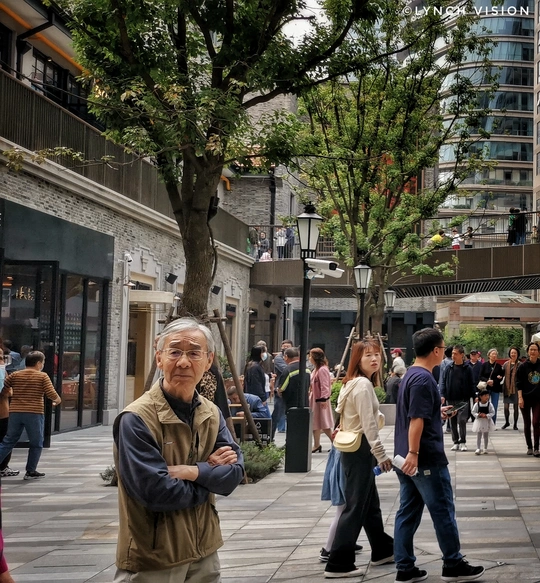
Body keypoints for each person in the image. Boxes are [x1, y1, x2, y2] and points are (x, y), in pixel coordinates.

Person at [113, 318, 244, 582]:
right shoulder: (136, 419)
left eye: (194, 353)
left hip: (204, 551)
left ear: (208, 361)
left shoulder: (212, 412)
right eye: (174, 352)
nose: (183, 362)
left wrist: (190, 472)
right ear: (159, 358)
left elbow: (234, 474)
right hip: (155, 557)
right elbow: (157, 492)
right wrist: (209, 477)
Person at [394, 327, 485, 583]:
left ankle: (404, 567)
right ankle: (453, 563)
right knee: (443, 510)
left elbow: (417, 413)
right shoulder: (424, 380)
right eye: (443, 348)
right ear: (435, 350)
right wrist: (414, 452)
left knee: (407, 512)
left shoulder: (411, 375)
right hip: (424, 458)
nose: (444, 352)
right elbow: (416, 419)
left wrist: (438, 412)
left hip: (406, 458)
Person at [324, 339, 394, 578]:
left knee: (369, 504)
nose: (374, 359)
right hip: (361, 448)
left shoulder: (350, 382)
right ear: (357, 360)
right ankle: (338, 562)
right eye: (368, 356)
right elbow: (368, 424)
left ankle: (383, 549)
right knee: (355, 507)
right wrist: (381, 454)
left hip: (353, 449)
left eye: (377, 354)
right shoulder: (362, 384)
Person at [0, 351, 61, 480]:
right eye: (43, 362)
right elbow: (50, 392)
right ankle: (30, 471)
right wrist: (57, 399)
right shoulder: (42, 376)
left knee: (8, 441)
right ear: (38, 363)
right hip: (34, 412)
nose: (43, 365)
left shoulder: (15, 375)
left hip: (15, 412)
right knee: (36, 442)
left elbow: (4, 387)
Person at [440, 345, 475, 451]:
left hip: (463, 399)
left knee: (462, 420)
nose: (453, 355)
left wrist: (474, 396)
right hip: (451, 398)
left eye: (455, 353)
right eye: (452, 353)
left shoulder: (467, 368)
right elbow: (443, 381)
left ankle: (463, 441)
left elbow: (472, 383)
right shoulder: (448, 368)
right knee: (452, 421)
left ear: (461, 355)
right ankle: (455, 442)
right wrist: (442, 394)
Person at [516, 342, 540, 456]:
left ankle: (536, 448)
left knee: (536, 422)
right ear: (528, 351)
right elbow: (519, 383)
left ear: (538, 352)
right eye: (531, 349)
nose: (533, 351)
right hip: (525, 398)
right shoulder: (523, 366)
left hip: (538, 399)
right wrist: (520, 398)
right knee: (527, 423)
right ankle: (529, 447)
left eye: (535, 349)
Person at [309, 348, 334, 453]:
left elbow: (325, 385)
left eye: (310, 356)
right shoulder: (316, 369)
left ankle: (335, 443)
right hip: (315, 399)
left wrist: (324, 399)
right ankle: (316, 444)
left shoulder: (322, 369)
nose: (309, 358)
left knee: (324, 423)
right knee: (316, 423)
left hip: (320, 400)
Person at [0, 349, 17, 478]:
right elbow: (7, 391)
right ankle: (3, 466)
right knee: (5, 439)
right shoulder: (2, 371)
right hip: (2, 412)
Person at [272, 340, 293, 434]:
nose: (285, 348)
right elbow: (285, 369)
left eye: (288, 346)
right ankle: (279, 428)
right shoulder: (278, 358)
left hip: (291, 386)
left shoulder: (295, 357)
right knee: (279, 409)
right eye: (284, 346)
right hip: (280, 386)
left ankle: (285, 427)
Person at [479, 348, 504, 426]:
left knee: (494, 406)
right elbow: (480, 376)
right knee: (484, 405)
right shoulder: (484, 365)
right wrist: (487, 381)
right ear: (489, 355)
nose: (494, 355)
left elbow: (501, 377)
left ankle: (493, 423)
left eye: (495, 354)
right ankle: (484, 423)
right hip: (486, 388)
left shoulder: (499, 366)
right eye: (493, 354)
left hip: (495, 388)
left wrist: (494, 381)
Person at [501, 347, 521, 430]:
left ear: (517, 354)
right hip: (507, 387)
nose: (513, 354)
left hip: (516, 388)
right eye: (512, 353)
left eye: (515, 353)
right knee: (506, 407)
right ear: (509, 354)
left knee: (515, 407)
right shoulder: (506, 364)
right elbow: (501, 373)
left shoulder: (520, 365)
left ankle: (515, 424)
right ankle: (507, 422)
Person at [471, 389, 495, 455]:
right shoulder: (477, 404)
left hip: (486, 421)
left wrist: (487, 415)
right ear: (480, 396)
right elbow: (473, 412)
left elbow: (492, 412)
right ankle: (478, 448)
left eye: (488, 395)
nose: (487, 397)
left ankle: (485, 448)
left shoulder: (489, 404)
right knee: (479, 435)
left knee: (486, 435)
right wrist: (478, 415)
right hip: (479, 421)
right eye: (485, 395)